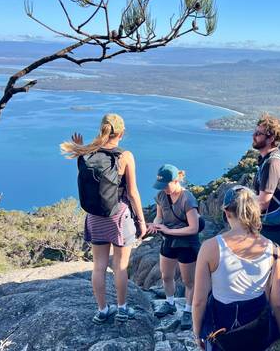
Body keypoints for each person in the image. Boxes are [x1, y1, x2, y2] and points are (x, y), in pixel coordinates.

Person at [60, 113, 147, 324]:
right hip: (117, 217)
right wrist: (142, 221)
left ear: (101, 129)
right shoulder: (125, 156)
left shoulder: (86, 152)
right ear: (122, 133)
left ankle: (102, 310)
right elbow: (133, 192)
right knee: (120, 266)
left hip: (95, 217)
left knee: (98, 266)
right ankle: (122, 309)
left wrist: (79, 146)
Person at [193, 186, 280, 351]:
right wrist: (279, 333)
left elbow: (199, 301)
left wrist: (197, 332)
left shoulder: (210, 247)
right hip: (256, 324)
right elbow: (278, 302)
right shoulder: (274, 249)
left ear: (227, 213)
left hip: (220, 324)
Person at [148, 164, 201, 330]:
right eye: (161, 186)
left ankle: (188, 310)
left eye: (166, 185)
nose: (163, 189)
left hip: (186, 243)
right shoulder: (161, 196)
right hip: (169, 240)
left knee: (188, 281)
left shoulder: (188, 199)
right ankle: (170, 303)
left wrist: (169, 230)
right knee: (166, 276)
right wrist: (156, 226)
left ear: (176, 180)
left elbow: (193, 228)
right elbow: (159, 217)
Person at [252, 113, 280, 248]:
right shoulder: (268, 160)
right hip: (269, 226)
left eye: (259, 134)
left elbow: (263, 203)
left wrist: (239, 207)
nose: (254, 136)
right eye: (255, 132)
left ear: (271, 138)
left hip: (271, 230)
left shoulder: (272, 163)